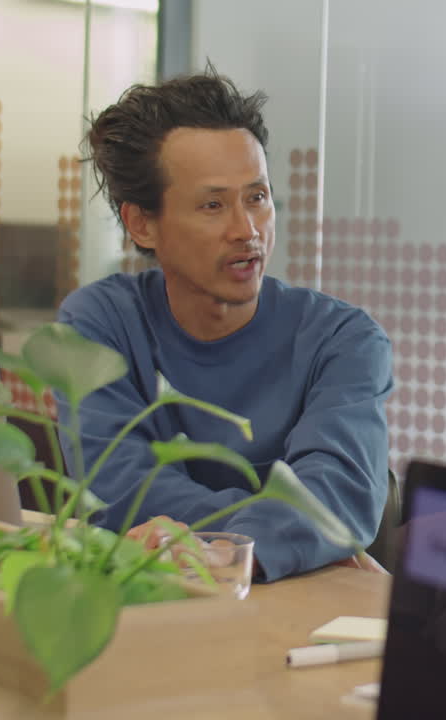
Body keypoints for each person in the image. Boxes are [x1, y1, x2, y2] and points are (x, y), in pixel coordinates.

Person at [57, 70, 392, 582]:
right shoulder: (99, 324)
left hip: (295, 614)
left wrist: (213, 543)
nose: (247, 230)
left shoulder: (343, 340)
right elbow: (116, 488)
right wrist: (286, 537)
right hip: (156, 602)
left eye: (257, 198)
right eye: (213, 205)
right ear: (142, 223)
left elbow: (338, 492)